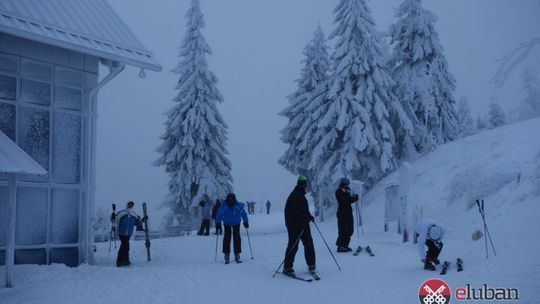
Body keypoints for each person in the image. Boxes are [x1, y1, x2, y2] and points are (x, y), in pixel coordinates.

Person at [282, 176, 316, 276]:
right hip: (294, 226)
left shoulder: (301, 196)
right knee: (293, 245)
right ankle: (287, 267)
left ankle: (311, 264)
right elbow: (294, 213)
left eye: (305, 185)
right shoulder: (294, 196)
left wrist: (309, 217)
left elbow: (304, 211)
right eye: (303, 185)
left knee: (309, 243)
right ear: (299, 185)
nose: (305, 187)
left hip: (303, 224)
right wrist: (301, 222)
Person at [216, 193, 249, 264]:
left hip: (236, 224)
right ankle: (226, 255)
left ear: (234, 200)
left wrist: (245, 221)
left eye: (232, 201)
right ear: (227, 200)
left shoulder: (238, 205)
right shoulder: (224, 206)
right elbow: (219, 213)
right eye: (229, 201)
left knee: (237, 238)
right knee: (227, 239)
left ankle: (237, 254)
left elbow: (243, 213)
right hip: (227, 223)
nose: (230, 203)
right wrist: (218, 222)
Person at [115, 201, 146, 267]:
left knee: (126, 246)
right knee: (124, 246)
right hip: (122, 232)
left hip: (128, 234)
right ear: (127, 205)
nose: (130, 206)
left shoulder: (133, 215)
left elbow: (138, 223)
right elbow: (115, 220)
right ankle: (120, 261)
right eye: (129, 204)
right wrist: (112, 217)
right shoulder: (121, 213)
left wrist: (143, 220)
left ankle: (125, 260)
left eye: (132, 205)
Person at [335, 177, 359, 252]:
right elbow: (344, 201)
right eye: (346, 184)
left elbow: (349, 199)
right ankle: (341, 246)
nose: (347, 185)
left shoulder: (347, 190)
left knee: (349, 229)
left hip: (348, 212)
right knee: (343, 229)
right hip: (342, 213)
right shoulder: (339, 191)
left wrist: (354, 198)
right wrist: (352, 199)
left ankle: (345, 245)